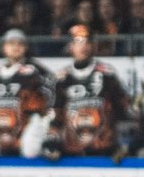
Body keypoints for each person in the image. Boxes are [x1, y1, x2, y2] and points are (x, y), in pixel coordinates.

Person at [46, 23, 130, 160]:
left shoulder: (107, 73)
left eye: (87, 42)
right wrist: (51, 141)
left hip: (105, 151)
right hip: (71, 153)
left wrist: (123, 143)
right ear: (71, 46)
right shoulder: (62, 78)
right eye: (78, 42)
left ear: (93, 46)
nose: (83, 46)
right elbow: (56, 114)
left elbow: (122, 109)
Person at [0, 29, 52, 158]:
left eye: (20, 44)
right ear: (4, 47)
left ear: (25, 47)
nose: (15, 47)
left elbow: (49, 96)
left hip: (27, 124)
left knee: (30, 150)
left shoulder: (35, 71)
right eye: (11, 44)